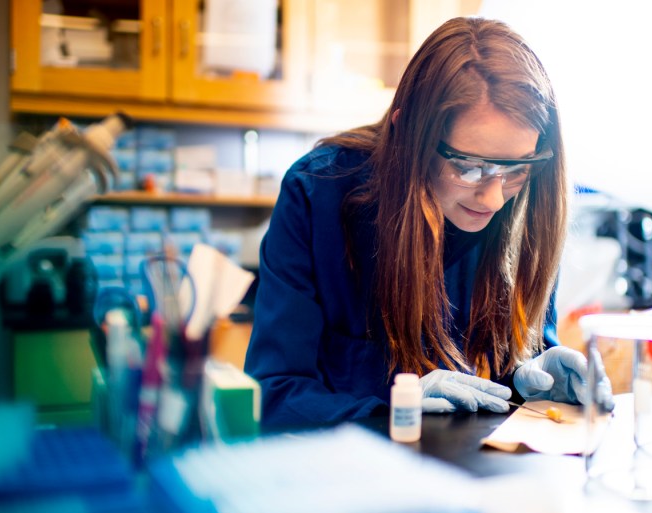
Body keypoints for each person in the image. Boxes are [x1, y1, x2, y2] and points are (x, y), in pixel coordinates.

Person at [244, 16, 612, 428]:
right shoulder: (317, 195)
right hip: (348, 477)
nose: (493, 198)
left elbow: (509, 376)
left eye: (516, 168)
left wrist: (535, 380)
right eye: (469, 167)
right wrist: (392, 408)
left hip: (477, 478)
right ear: (407, 136)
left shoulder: (524, 207)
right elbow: (273, 395)